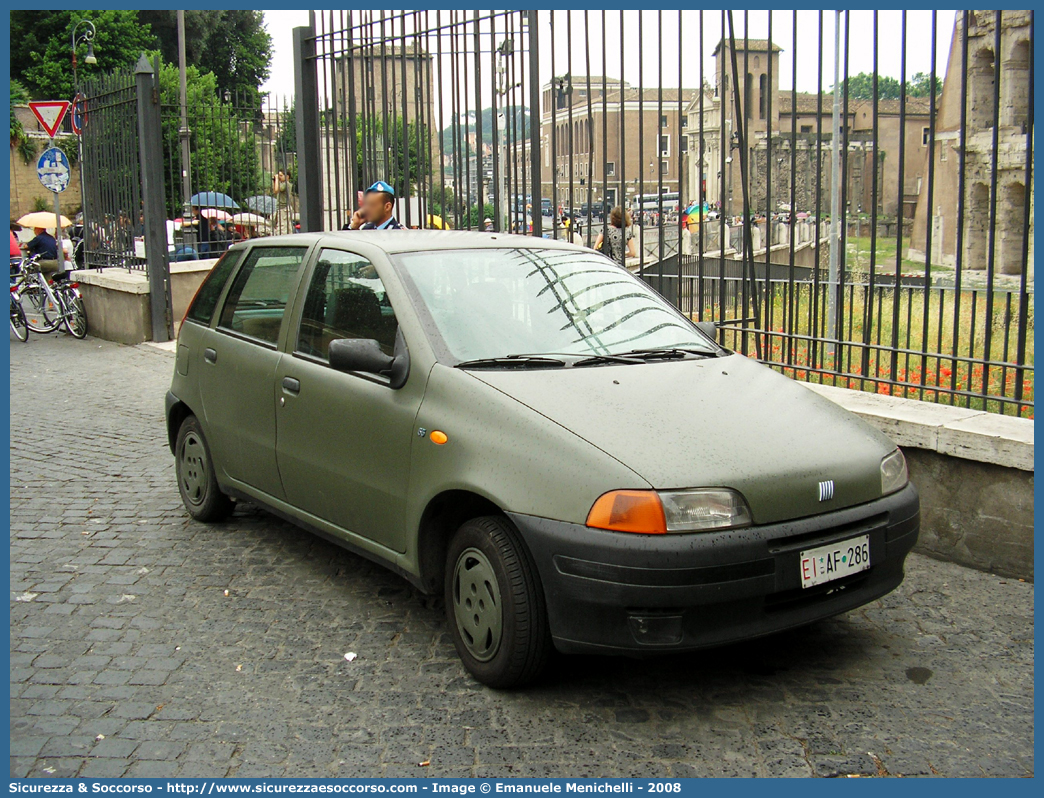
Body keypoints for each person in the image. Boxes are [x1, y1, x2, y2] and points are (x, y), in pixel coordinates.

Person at [272, 170, 296, 235]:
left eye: (281, 175)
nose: (279, 177)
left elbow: (276, 190)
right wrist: (275, 181)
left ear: (287, 177)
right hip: (282, 208)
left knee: (282, 228)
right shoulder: (283, 184)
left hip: (283, 208)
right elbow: (275, 191)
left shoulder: (286, 184)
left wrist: (276, 179)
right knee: (287, 227)